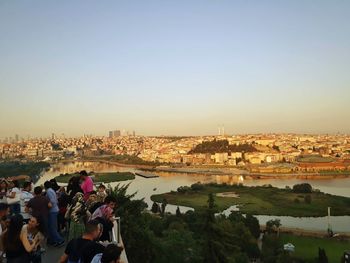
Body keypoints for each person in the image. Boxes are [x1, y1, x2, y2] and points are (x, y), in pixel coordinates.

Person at [44, 181, 64, 247]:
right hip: (55, 210)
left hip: (52, 211)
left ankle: (60, 240)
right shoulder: (52, 190)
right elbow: (56, 200)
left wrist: (47, 205)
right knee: (53, 226)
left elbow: (52, 201)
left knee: (52, 227)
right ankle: (54, 240)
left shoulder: (49, 191)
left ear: (45, 186)